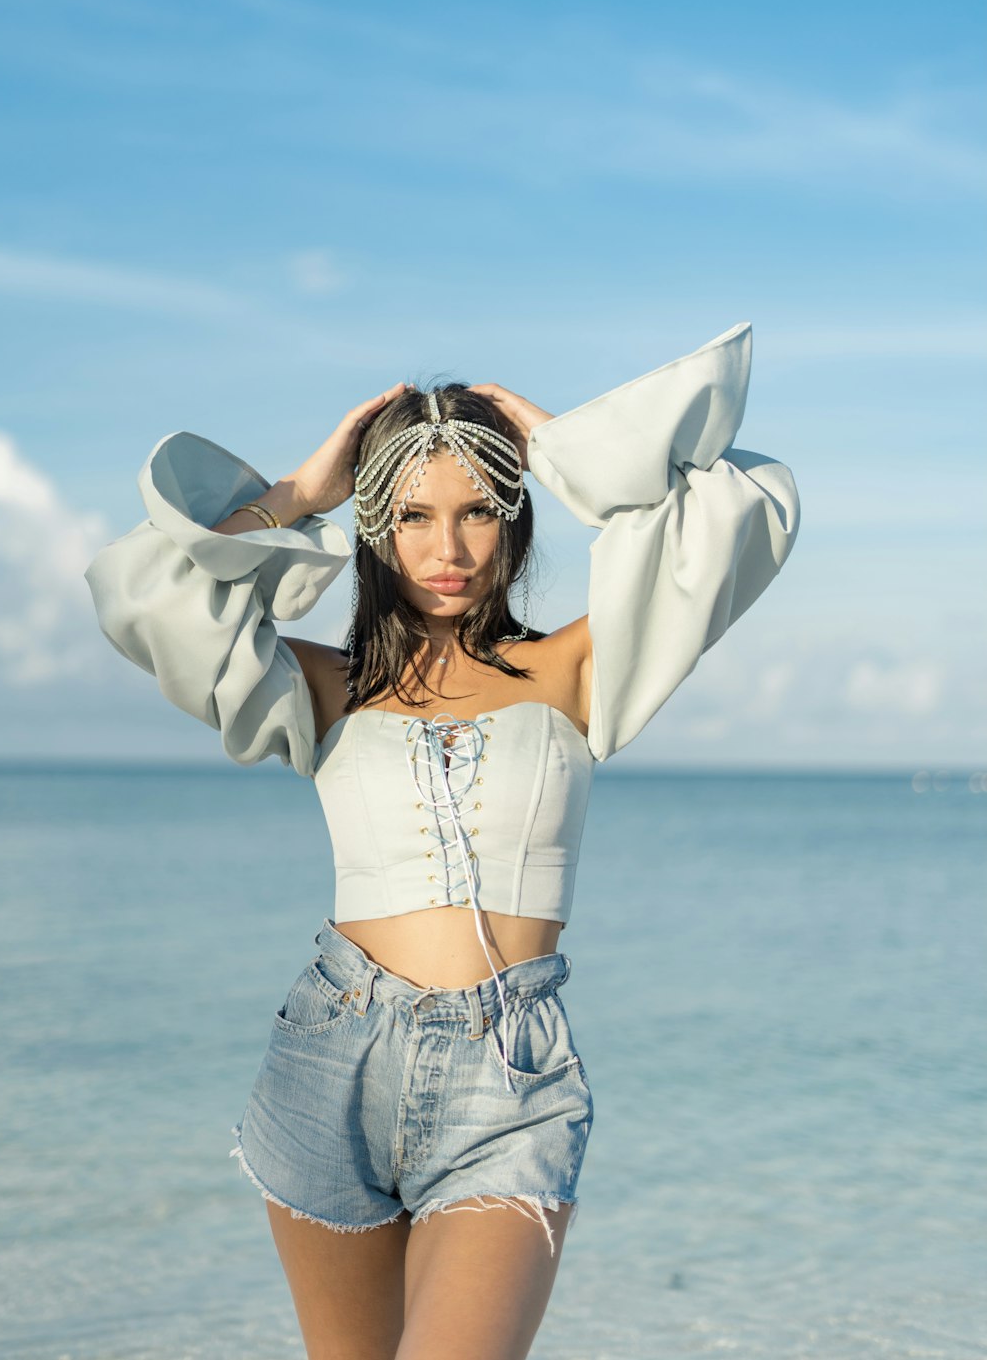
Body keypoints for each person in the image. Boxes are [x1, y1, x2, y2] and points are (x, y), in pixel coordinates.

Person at [84, 320, 800, 1360]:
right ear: (375, 527)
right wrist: (301, 491)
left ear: (514, 521)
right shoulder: (324, 687)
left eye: (478, 510)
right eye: (412, 514)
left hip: (508, 1080)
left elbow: (737, 512)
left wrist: (567, 453)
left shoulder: (572, 670)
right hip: (328, 1058)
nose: (448, 548)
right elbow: (147, 592)